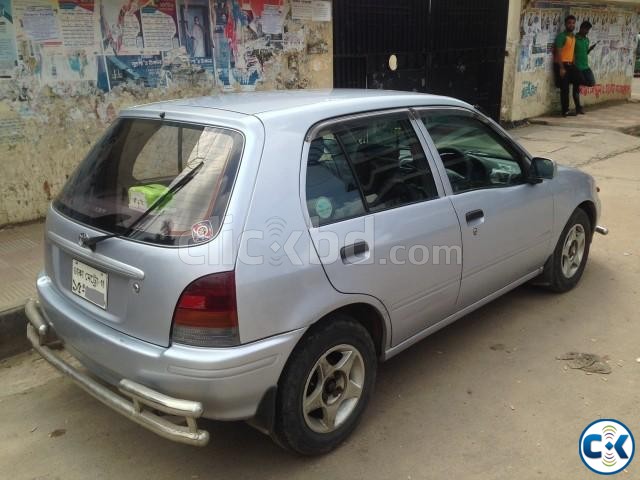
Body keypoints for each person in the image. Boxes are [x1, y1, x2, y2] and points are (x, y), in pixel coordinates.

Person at [554, 15, 581, 117]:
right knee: (565, 89)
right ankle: (565, 111)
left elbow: (572, 51)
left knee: (580, 79)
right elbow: (558, 53)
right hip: (562, 64)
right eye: (569, 23)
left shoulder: (573, 36)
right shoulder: (562, 36)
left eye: (573, 23)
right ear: (565, 24)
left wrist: (573, 62)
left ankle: (577, 105)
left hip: (570, 65)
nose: (571, 25)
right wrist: (561, 68)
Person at [575, 21, 598, 113]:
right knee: (576, 89)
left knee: (592, 82)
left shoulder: (586, 40)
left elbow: (585, 53)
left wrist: (590, 49)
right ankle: (578, 108)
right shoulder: (575, 39)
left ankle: (577, 81)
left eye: (588, 30)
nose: (586, 31)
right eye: (585, 29)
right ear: (581, 28)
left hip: (585, 66)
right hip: (577, 67)